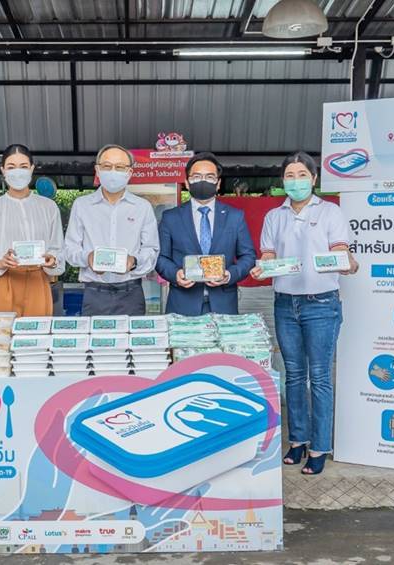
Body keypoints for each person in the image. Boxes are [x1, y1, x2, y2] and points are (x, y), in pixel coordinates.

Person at [250, 151, 359, 476]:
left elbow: (341, 252)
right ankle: (297, 439)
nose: (295, 181)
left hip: (321, 304)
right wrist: (262, 268)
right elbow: (268, 255)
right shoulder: (274, 216)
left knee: (320, 376)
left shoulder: (330, 212)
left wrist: (347, 263)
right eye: (289, 175)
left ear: (313, 179)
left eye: (301, 175)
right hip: (285, 304)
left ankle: (320, 446)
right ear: (282, 180)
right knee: (294, 375)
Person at [63, 144, 159, 316]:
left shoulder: (142, 207)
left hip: (131, 293)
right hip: (94, 292)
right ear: (97, 170)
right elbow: (70, 249)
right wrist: (87, 258)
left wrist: (133, 262)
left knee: (132, 334)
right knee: (94, 335)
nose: (113, 172)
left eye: (120, 167)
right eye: (107, 166)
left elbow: (151, 249)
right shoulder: (82, 205)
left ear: (129, 172)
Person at [156, 152, 256, 315]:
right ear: (187, 182)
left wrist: (229, 275)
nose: (203, 181)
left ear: (218, 183)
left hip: (223, 305)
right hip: (182, 305)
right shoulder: (171, 217)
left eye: (210, 177)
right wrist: (175, 274)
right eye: (196, 176)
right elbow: (160, 258)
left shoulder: (235, 217)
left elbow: (248, 256)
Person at [0, 144, 64, 315]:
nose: (17, 172)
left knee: (38, 330)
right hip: (5, 280)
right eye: (11, 167)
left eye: (23, 166)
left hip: (38, 280)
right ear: (3, 170)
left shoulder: (48, 207)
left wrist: (52, 259)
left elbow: (58, 249)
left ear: (32, 169)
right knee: (3, 330)